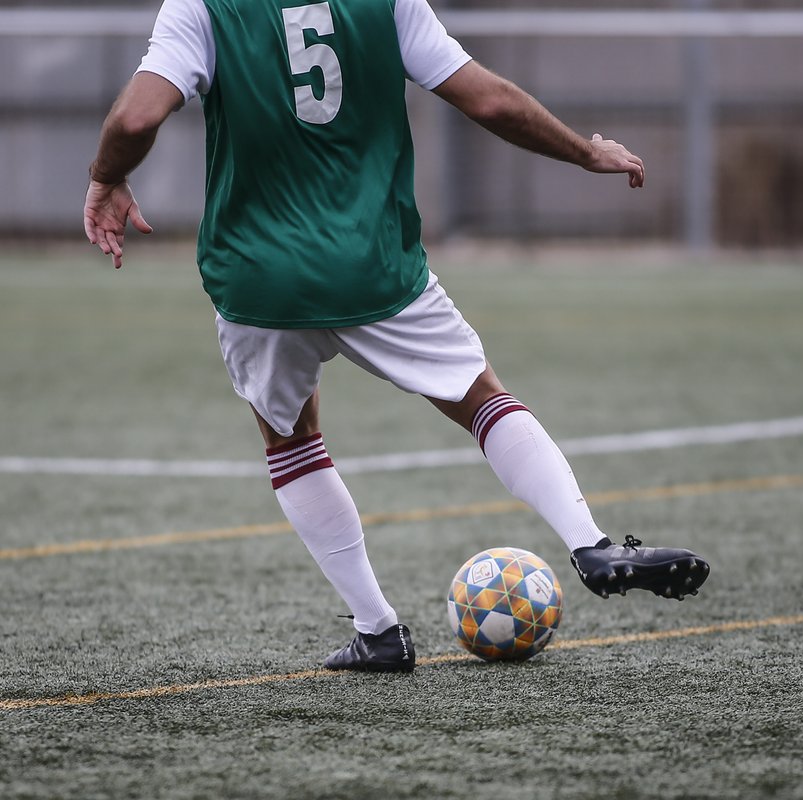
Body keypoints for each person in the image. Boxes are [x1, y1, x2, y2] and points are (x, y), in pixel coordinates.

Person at [83, 0, 709, 673]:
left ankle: (378, 629)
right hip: (373, 265)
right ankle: (591, 543)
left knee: (290, 438)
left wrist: (107, 177)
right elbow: (491, 101)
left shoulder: (203, 7)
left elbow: (136, 116)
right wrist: (587, 152)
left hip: (261, 277)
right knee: (481, 399)